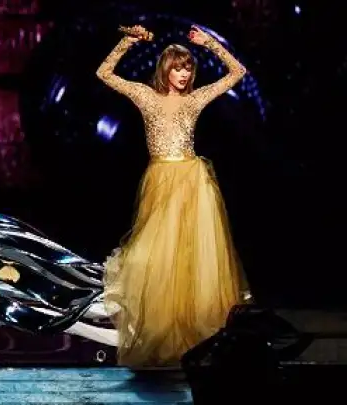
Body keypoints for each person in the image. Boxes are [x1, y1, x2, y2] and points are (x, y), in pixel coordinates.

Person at [96, 25, 250, 367]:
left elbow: (237, 72)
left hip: (193, 183)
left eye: (188, 69)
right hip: (161, 180)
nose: (183, 74)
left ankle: (197, 339)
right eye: (178, 68)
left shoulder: (194, 100)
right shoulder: (146, 97)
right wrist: (127, 41)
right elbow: (104, 73)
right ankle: (162, 332)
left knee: (193, 261)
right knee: (155, 259)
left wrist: (211, 43)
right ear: (165, 69)